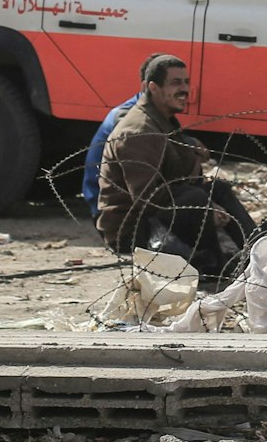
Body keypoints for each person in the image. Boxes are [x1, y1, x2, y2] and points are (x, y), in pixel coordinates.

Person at [95, 54, 257, 282]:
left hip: (158, 214)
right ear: (154, 88)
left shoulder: (161, 119)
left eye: (186, 82)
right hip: (132, 229)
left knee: (217, 189)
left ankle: (261, 254)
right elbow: (146, 199)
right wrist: (206, 208)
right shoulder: (140, 131)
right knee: (196, 197)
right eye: (175, 83)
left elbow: (177, 177)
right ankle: (213, 267)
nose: (185, 90)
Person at [81, 92, 142, 218]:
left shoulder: (144, 111)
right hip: (108, 207)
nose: (182, 89)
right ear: (152, 87)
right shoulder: (129, 119)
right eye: (174, 84)